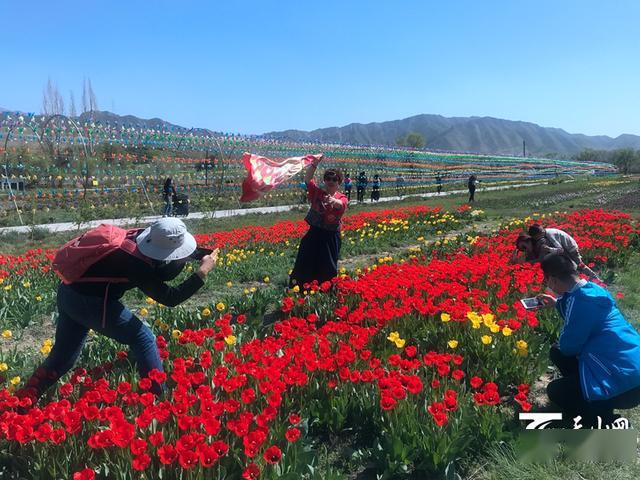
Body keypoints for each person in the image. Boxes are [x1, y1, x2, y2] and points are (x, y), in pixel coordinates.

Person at [17, 218, 218, 401]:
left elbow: (159, 275)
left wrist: (181, 258)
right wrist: (201, 272)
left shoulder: (138, 237)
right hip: (91, 302)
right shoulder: (135, 262)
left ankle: (23, 400)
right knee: (143, 338)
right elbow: (170, 298)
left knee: (62, 358)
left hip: (69, 293)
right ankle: (157, 399)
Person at [536, 254, 640, 428]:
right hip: (633, 369)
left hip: (624, 386)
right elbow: (582, 315)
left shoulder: (580, 303)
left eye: (547, 280)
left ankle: (604, 417)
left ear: (552, 280)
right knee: (557, 351)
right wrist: (556, 303)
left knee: (556, 391)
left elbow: (569, 346)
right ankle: (588, 390)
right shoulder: (594, 290)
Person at [290, 156, 348, 288]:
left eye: (334, 179)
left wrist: (333, 201)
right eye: (328, 178)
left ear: (339, 182)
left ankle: (326, 291)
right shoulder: (317, 192)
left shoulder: (341, 197)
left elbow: (341, 204)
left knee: (327, 265)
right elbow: (308, 179)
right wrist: (314, 164)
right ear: (325, 180)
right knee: (305, 260)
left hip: (330, 237)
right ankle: (301, 287)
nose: (331, 181)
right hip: (314, 233)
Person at [528, 224, 601, 280]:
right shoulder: (546, 232)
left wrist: (548, 249)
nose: (536, 239)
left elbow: (560, 250)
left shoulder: (550, 235)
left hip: (571, 249)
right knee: (573, 266)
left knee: (580, 264)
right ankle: (586, 278)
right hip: (568, 248)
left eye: (535, 237)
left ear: (538, 234)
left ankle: (595, 279)